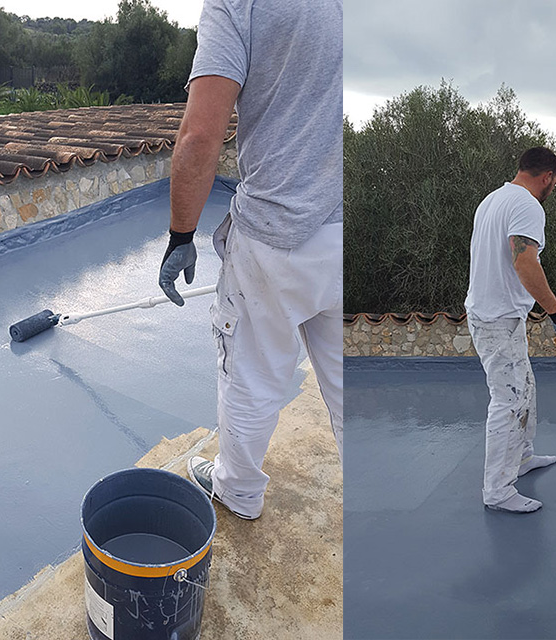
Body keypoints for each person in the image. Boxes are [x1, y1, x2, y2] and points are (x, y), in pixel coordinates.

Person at [158, 0, 343, 521]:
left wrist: (181, 235)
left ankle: (238, 491)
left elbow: (199, 134)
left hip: (276, 237)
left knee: (253, 377)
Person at [464, 146, 556, 513]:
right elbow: (524, 262)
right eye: (555, 183)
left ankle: (522, 456)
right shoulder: (529, 206)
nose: (553, 188)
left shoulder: (493, 200)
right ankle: (497, 490)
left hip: (495, 314)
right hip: (497, 318)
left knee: (525, 387)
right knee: (508, 400)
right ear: (548, 177)